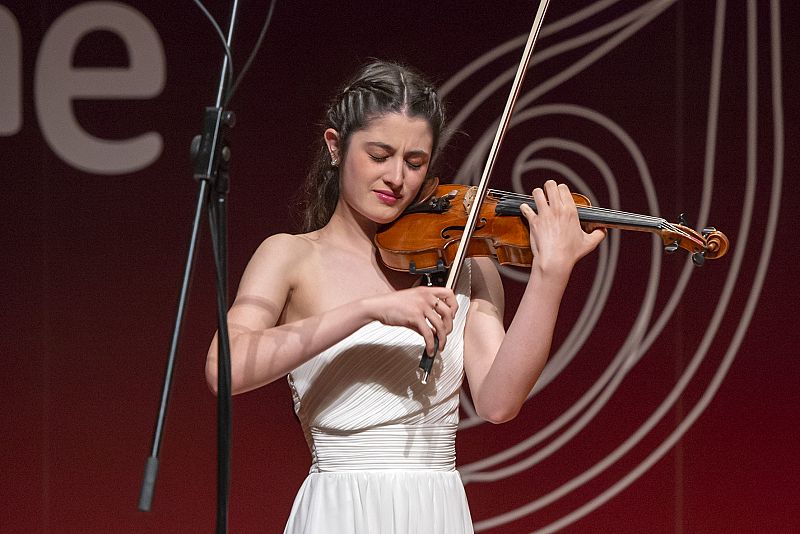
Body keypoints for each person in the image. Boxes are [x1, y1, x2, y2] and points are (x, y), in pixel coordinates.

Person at [205, 60, 605, 533]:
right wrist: (370, 310)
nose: (397, 177)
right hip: (341, 509)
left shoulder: (464, 263)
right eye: (379, 155)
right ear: (335, 147)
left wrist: (550, 273)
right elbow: (223, 369)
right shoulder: (290, 256)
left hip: (434, 508)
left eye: (415, 162)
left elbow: (499, 403)